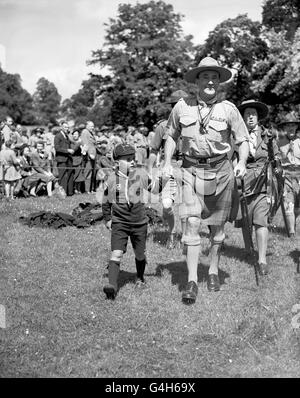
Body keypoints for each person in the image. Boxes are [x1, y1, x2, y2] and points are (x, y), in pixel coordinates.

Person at [162, 56, 250, 304]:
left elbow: (242, 140)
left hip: (222, 172)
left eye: (214, 77)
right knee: (191, 222)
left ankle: (212, 271)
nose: (210, 81)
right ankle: (191, 280)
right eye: (205, 76)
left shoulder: (229, 109)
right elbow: (170, 135)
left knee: (217, 228)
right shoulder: (181, 107)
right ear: (196, 81)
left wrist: (241, 163)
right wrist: (168, 162)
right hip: (190, 171)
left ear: (219, 82)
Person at [102, 143, 161, 300]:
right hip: (120, 223)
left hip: (139, 223)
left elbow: (155, 189)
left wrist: (165, 177)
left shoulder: (140, 174)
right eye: (127, 160)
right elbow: (105, 201)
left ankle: (140, 278)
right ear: (117, 162)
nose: (132, 162)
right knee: (116, 253)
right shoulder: (112, 178)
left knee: (140, 254)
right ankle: (112, 286)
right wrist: (108, 218)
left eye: (133, 158)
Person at [235, 99, 278, 275]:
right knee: (246, 218)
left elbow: (275, 159)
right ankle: (247, 250)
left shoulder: (268, 135)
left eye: (253, 113)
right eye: (247, 114)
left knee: (261, 220)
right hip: (242, 181)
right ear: (243, 117)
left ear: (258, 117)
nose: (251, 117)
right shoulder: (235, 136)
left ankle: (262, 260)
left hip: (263, 181)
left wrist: (276, 184)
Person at [148, 90, 189, 248]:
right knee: (166, 205)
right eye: (175, 106)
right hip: (168, 167)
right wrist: (149, 170)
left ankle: (185, 239)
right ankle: (172, 233)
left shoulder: (192, 127)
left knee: (187, 206)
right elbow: (154, 150)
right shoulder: (163, 127)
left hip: (188, 168)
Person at [277, 113, 300, 237]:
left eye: (293, 125)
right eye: (288, 125)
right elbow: (276, 159)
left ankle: (294, 223)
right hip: (286, 176)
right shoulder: (280, 142)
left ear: (296, 127)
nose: (291, 128)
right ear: (285, 128)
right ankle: (291, 233)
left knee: (298, 207)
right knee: (288, 204)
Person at [80, 121, 97, 193]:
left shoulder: (91, 133)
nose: (92, 128)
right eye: (91, 126)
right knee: (88, 173)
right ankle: (87, 190)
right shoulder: (85, 132)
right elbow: (86, 144)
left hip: (93, 156)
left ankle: (91, 189)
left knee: (92, 173)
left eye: (93, 126)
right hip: (89, 157)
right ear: (86, 126)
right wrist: (90, 154)